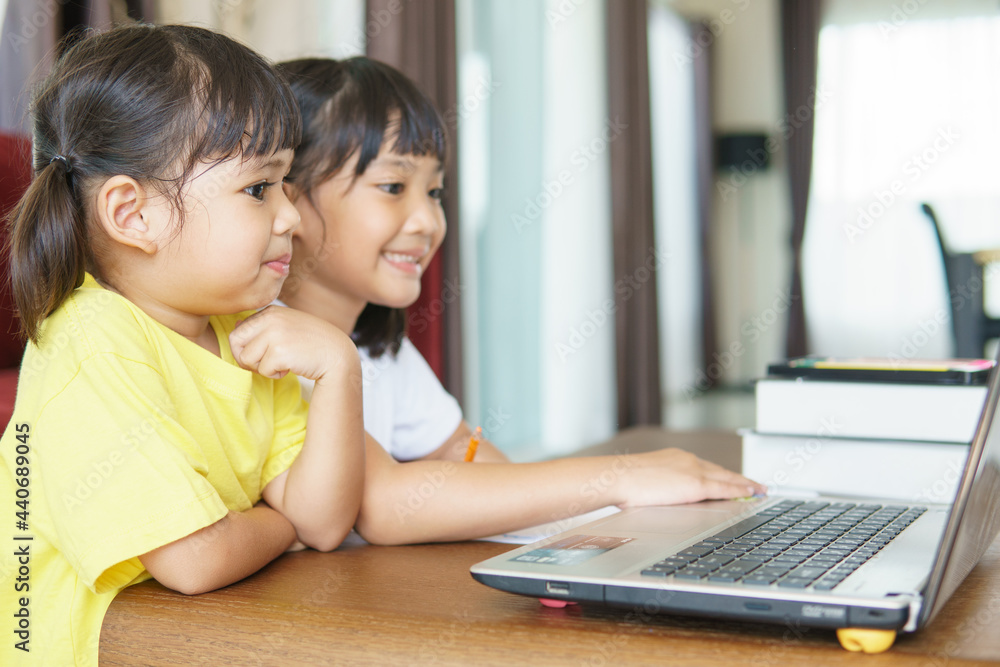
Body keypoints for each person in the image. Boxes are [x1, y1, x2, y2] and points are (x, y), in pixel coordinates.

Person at [275, 57, 766, 546]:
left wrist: (604, 519)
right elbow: (384, 505)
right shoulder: (270, 344)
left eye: (435, 191)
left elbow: (460, 452)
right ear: (288, 203)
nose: (428, 221)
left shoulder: (378, 348)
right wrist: (623, 475)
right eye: (393, 187)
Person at [0, 26, 366, 666]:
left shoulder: (240, 332)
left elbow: (326, 521)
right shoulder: (92, 343)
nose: (293, 219)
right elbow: (194, 559)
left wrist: (340, 367)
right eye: (259, 188)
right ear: (133, 215)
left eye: (285, 184)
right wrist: (284, 527)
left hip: (193, 641)